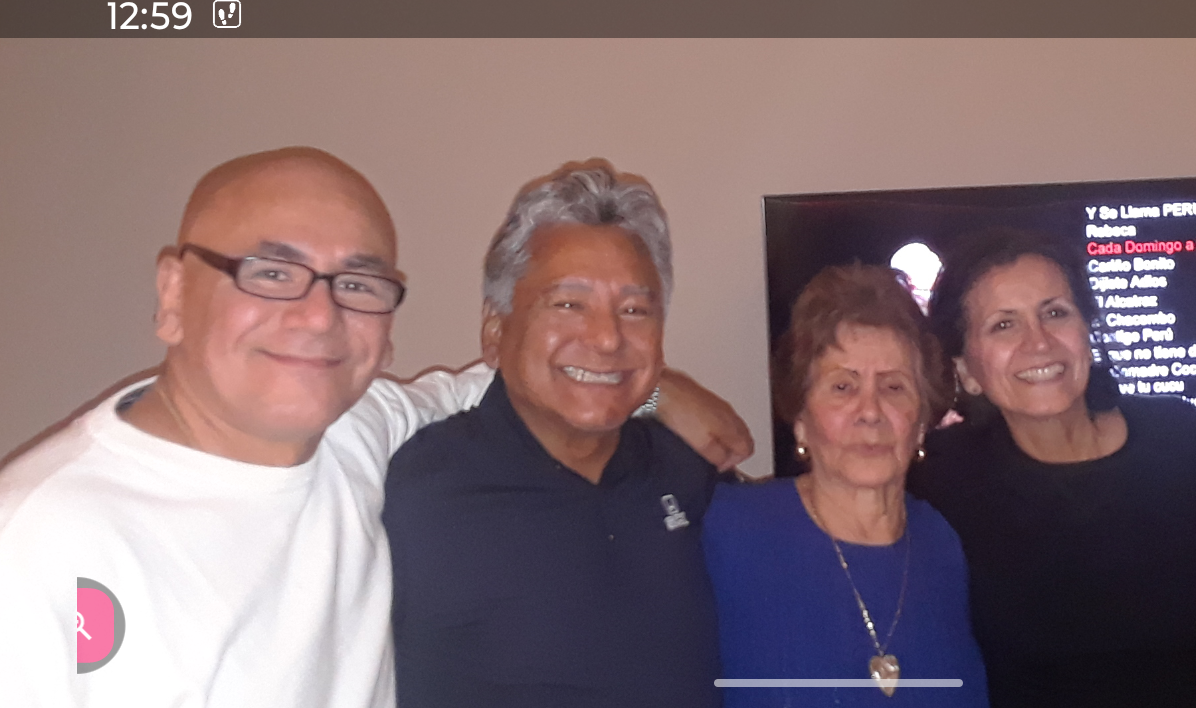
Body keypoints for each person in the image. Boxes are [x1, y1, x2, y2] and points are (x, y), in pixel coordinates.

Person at [0, 148, 751, 707]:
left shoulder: (364, 437)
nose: (318, 314)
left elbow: (552, 379)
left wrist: (652, 393)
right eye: (269, 271)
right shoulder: (36, 539)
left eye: (356, 285)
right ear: (171, 293)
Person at [382, 161, 722, 707]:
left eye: (634, 310)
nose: (608, 337)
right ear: (495, 330)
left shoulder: (686, 473)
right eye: (568, 304)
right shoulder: (412, 491)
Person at [908, 226, 1196, 707]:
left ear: (1087, 333)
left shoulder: (1180, 440)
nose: (1039, 343)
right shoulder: (940, 478)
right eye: (1003, 325)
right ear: (967, 370)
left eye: (1055, 313)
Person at [705, 264, 987, 707]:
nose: (870, 411)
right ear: (801, 419)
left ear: (920, 423)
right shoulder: (727, 530)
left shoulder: (944, 546)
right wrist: (657, 396)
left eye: (894, 387)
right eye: (842, 386)